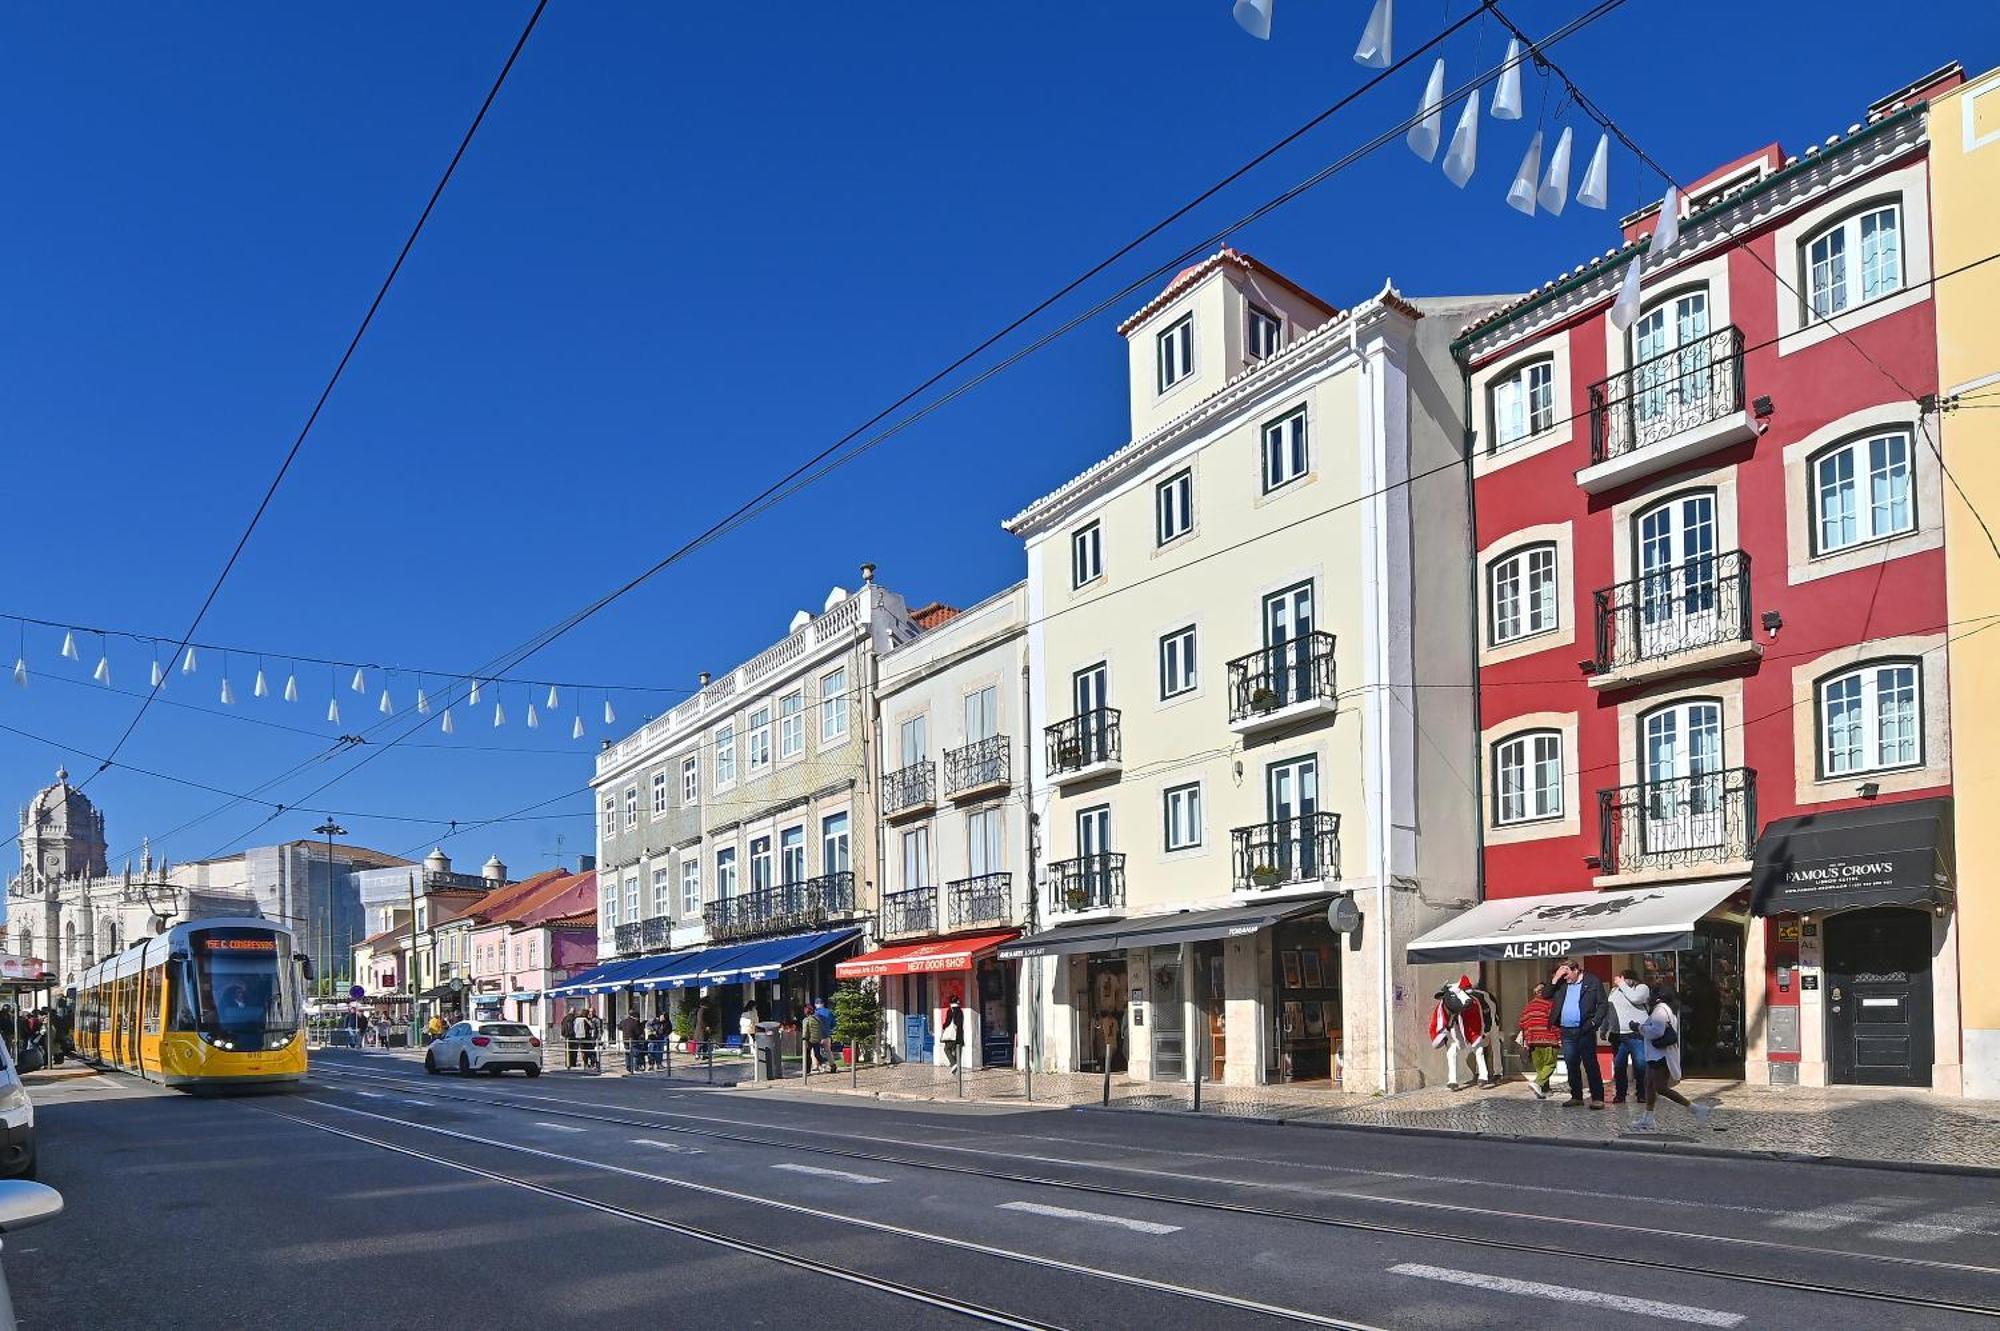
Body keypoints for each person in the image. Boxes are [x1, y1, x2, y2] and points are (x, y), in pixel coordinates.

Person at [1628, 985, 1713, 1133]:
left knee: (1661, 1088)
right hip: (1654, 1055)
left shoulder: (1660, 1010)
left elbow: (1657, 1031)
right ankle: (1648, 1118)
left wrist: (1639, 1028)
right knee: (1648, 1084)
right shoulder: (1666, 1009)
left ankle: (1696, 1109)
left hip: (1660, 1056)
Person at [1544, 956, 1606, 1109]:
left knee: (1590, 1064)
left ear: (1576, 970)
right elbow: (1545, 995)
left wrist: (1594, 1022)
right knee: (1571, 1064)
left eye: (1567, 974)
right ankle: (1576, 1096)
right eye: (1563, 975)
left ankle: (1598, 1097)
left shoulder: (1592, 982)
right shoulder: (1561, 983)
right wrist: (1556, 978)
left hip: (1585, 1029)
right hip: (1566, 1030)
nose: (1566, 978)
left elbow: (1603, 1004)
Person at [1607, 969, 1651, 1105]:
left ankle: (1642, 1094)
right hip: (1618, 1034)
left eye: (1622, 978)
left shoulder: (1642, 988)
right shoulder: (1614, 991)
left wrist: (1622, 984)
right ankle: (1620, 1094)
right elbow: (1610, 1009)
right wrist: (1604, 1028)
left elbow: (1636, 999)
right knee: (1619, 1067)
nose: (1620, 981)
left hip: (1636, 1034)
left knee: (1640, 1065)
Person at [1514, 983, 1561, 1100]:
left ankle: (1544, 1090)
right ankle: (1537, 1083)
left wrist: (1527, 1040)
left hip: (1533, 1041)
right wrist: (1559, 1037)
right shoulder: (1550, 1004)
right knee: (1550, 1065)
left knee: (1540, 1067)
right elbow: (1555, 1022)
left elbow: (1522, 1023)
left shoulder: (1528, 1006)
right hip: (1548, 1039)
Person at [939, 995, 965, 1070]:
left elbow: (947, 1022)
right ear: (957, 1001)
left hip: (951, 1036)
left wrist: (943, 1028)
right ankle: (956, 1067)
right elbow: (960, 1023)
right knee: (957, 1052)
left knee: (946, 1049)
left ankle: (953, 1064)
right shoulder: (960, 1011)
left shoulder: (950, 1010)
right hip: (959, 1036)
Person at [813, 996, 838, 1071]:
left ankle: (815, 1065)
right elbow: (834, 1024)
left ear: (815, 1004)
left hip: (817, 1035)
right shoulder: (829, 1012)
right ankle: (832, 1065)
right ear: (823, 1004)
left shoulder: (815, 1013)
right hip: (827, 1034)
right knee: (828, 1051)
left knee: (814, 1051)